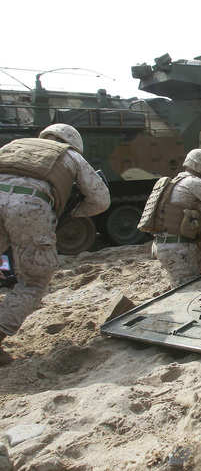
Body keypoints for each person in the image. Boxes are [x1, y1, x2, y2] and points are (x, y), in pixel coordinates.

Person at [0, 124, 110, 365]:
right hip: (29, 207)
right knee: (33, 281)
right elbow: (101, 200)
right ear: (73, 143)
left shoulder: (14, 146)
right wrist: (73, 212)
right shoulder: (69, 155)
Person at [147, 149, 201, 287]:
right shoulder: (195, 183)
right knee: (187, 290)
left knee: (183, 286)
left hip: (167, 245)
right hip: (179, 248)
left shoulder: (176, 180)